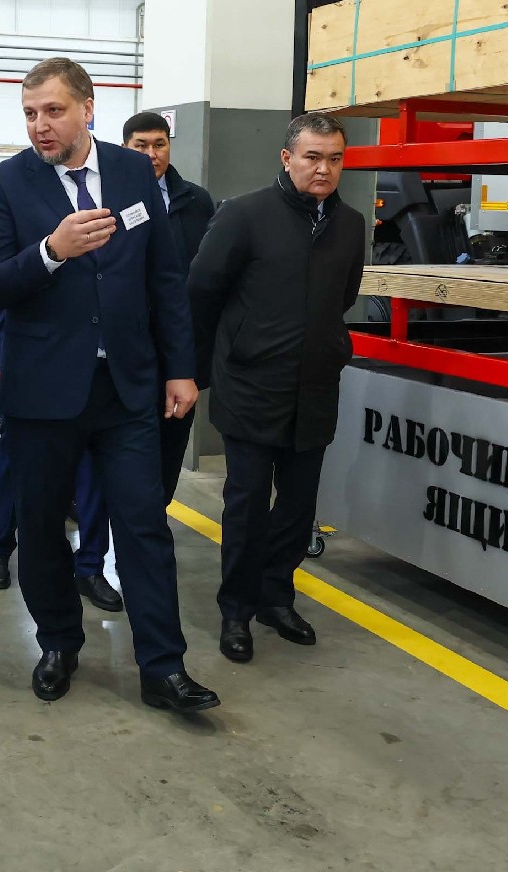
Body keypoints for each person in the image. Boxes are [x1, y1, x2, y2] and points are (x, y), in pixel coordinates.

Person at [0, 57, 217, 715]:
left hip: (127, 386)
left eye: (53, 111)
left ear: (87, 108)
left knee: (144, 524)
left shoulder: (134, 172)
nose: (40, 125)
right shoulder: (6, 183)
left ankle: (163, 667)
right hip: (44, 389)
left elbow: (165, 277)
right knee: (41, 525)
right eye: (30, 113)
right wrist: (51, 251)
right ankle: (58, 642)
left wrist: (181, 368)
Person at [188, 112, 364, 664]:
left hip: (314, 386)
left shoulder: (350, 224)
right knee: (246, 503)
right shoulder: (244, 215)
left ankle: (275, 597)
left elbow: (344, 296)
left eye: (334, 158)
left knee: (297, 504)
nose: (324, 169)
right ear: (287, 158)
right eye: (312, 157)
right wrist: (219, 358)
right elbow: (202, 290)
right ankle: (236, 610)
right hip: (251, 384)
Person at [0, 305, 115, 611]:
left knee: (93, 466)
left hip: (99, 364)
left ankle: (90, 566)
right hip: (34, 360)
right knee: (15, 458)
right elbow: (0, 288)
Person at [121, 112, 216, 504]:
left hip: (179, 348)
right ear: (124, 148)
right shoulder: (110, 198)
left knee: (170, 444)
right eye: (141, 145)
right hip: (126, 348)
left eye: (159, 144)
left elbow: (207, 274)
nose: (152, 154)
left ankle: (155, 518)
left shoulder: (195, 200)